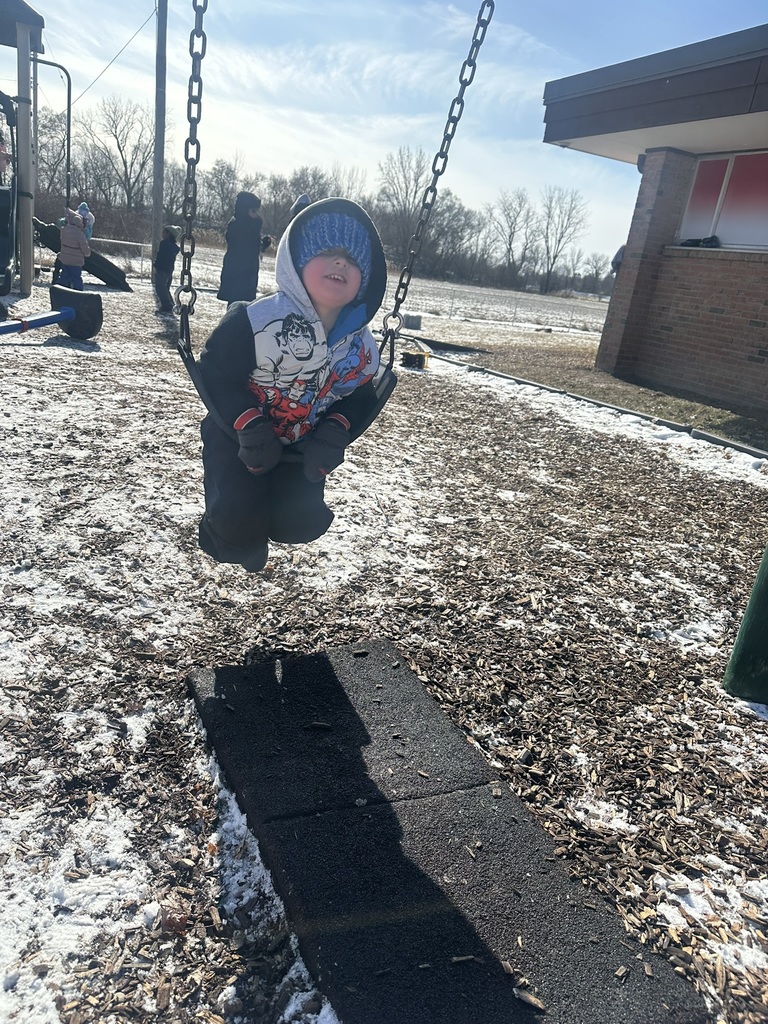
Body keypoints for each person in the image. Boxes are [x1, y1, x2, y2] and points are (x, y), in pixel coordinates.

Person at [197, 196, 387, 572]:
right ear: (297, 263)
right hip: (238, 432)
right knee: (236, 522)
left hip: (305, 441)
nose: (340, 262)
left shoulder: (360, 344)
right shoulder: (259, 321)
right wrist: (247, 424)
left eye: (352, 260)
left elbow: (359, 393)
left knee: (298, 520)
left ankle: (277, 525)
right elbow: (216, 371)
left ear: (364, 278)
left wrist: (336, 430)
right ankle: (229, 539)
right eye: (328, 252)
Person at [216, 191, 269, 305]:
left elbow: (252, 248)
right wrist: (256, 228)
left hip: (247, 276)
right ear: (244, 210)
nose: (256, 215)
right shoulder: (237, 226)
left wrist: (262, 245)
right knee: (236, 305)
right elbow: (243, 247)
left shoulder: (249, 226)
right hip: (237, 276)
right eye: (253, 211)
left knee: (243, 305)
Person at [57, 209, 90, 290]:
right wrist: (87, 253)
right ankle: (78, 293)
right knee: (76, 278)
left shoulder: (64, 230)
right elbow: (84, 247)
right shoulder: (80, 234)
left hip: (65, 258)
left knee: (64, 276)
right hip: (76, 261)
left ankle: (59, 290)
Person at [153, 224, 181, 314]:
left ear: (168, 234)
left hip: (162, 269)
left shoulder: (164, 244)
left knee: (160, 287)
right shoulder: (174, 247)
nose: (162, 234)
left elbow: (161, 257)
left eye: (164, 232)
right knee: (166, 288)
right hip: (169, 270)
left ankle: (167, 305)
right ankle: (171, 304)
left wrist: (156, 265)